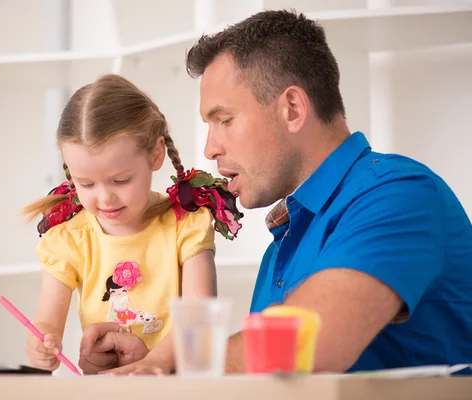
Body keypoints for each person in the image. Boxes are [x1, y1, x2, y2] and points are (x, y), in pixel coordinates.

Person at [78, 9, 472, 375]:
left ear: (293, 109)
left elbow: (313, 340)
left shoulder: (398, 195)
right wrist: (152, 363)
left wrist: (172, 363)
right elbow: (275, 377)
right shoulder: (284, 244)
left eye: (225, 120)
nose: (210, 149)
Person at [22, 74, 244, 375]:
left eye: (121, 180)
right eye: (85, 184)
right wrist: (42, 346)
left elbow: (199, 323)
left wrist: (151, 364)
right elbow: (46, 323)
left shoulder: (186, 224)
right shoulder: (70, 238)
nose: (105, 198)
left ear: (155, 154)